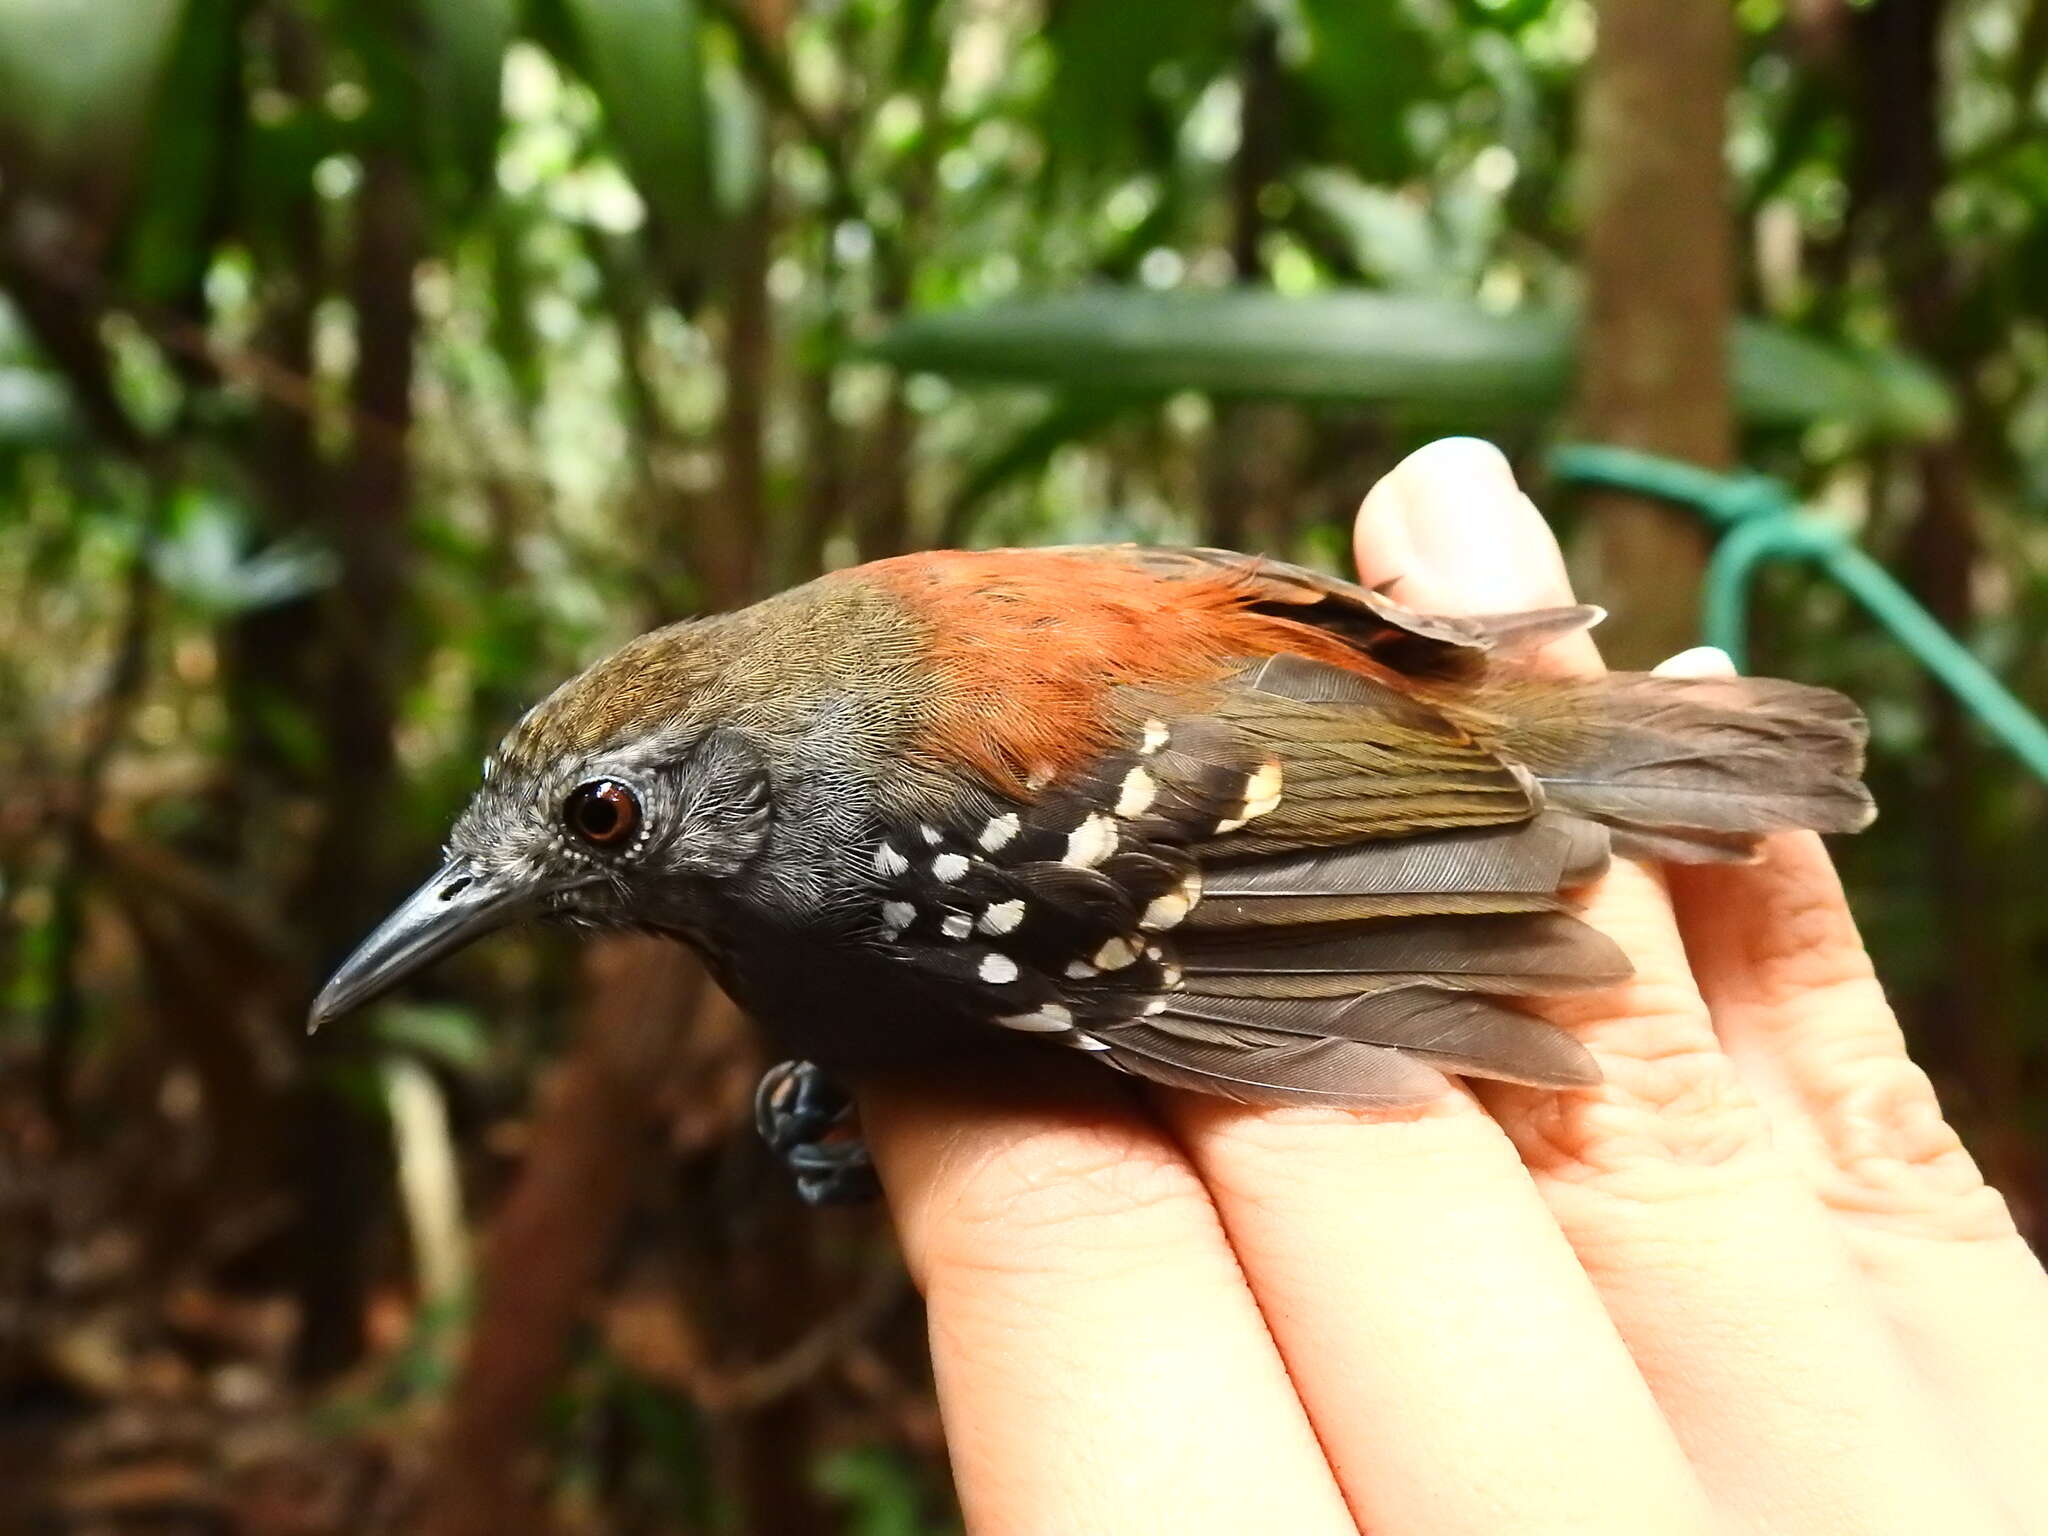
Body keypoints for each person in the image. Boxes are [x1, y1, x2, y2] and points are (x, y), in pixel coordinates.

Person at [855, 439, 2048, 1535]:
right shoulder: (858, 738)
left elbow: (1186, 912)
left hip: (1319, 771)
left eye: (652, 812)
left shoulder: (911, 793)